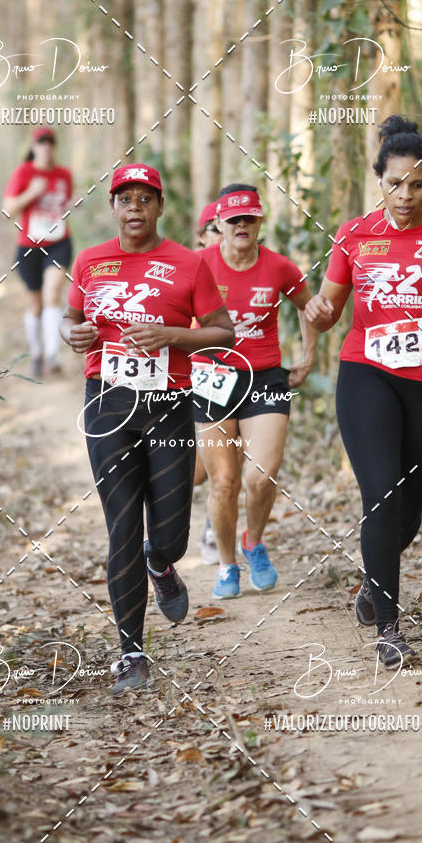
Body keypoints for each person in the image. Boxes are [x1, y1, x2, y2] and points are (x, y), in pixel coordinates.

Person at [305, 115, 422, 669]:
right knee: (381, 495)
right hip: (367, 374)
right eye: (393, 183)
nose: (404, 195)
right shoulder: (355, 234)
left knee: (405, 513)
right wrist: (318, 311)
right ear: (378, 179)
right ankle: (389, 626)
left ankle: (372, 580)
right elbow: (331, 308)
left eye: (416, 184)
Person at [59, 163, 234, 694]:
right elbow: (69, 319)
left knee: (169, 535)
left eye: (145, 199)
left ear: (160, 208)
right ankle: (132, 653)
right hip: (107, 403)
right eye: (124, 198)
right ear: (113, 208)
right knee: (121, 530)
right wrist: (74, 333)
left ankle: (162, 565)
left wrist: (172, 335)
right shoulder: (89, 261)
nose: (134, 207)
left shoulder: (190, 264)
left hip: (170, 405)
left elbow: (223, 330)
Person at [193, 184, 317, 599]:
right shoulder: (197, 264)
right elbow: (171, 313)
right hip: (211, 376)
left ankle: (254, 542)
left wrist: (309, 356)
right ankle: (227, 565)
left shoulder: (280, 267)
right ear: (218, 225)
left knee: (260, 476)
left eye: (249, 218)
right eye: (233, 220)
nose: (242, 225)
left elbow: (308, 306)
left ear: (259, 222)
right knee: (223, 483)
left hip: (264, 376)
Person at [3, 127, 73, 377]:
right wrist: (32, 192)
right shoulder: (24, 172)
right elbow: (8, 208)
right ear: (34, 147)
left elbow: (65, 203)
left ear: (54, 147)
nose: (46, 147)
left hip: (58, 242)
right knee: (36, 304)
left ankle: (52, 356)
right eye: (41, 143)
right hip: (29, 245)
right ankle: (37, 352)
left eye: (50, 143)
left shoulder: (64, 174)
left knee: (52, 294)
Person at [194, 201, 225, 564]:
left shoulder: (252, 264)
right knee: (198, 473)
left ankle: (212, 531)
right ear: (203, 235)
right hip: (190, 377)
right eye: (215, 228)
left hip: (238, 376)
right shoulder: (186, 267)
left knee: (228, 463)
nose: (223, 235)